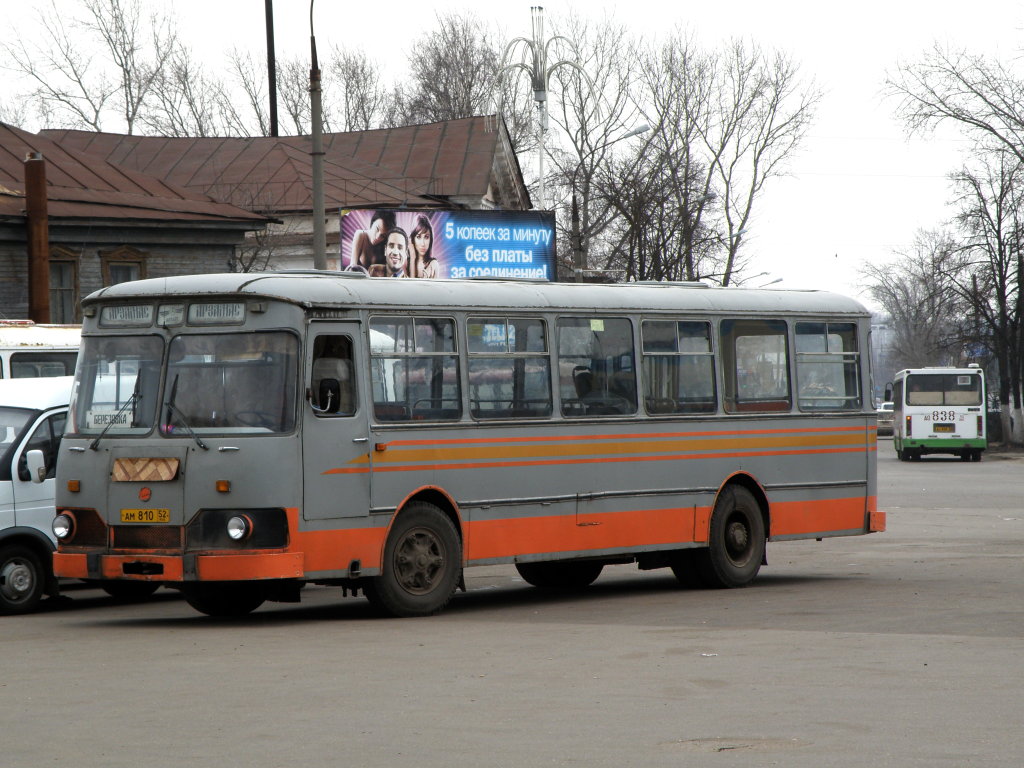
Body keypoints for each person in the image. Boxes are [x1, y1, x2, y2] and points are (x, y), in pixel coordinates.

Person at [408, 214, 439, 278]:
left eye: (426, 237)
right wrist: (412, 258)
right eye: (418, 237)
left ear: (431, 239)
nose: (423, 243)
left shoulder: (433, 264)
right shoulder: (406, 263)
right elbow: (410, 286)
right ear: (413, 239)